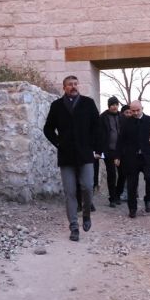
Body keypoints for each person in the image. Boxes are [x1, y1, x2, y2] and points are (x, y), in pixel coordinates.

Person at [43, 75, 100, 242]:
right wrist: (58, 143)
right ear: (64, 87)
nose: (73, 86)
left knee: (87, 187)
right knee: (70, 192)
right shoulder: (57, 105)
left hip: (85, 154)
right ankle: (74, 226)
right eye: (70, 84)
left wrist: (95, 147)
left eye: (75, 84)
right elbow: (48, 129)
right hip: (66, 155)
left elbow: (97, 127)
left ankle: (86, 215)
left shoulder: (88, 103)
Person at [116, 100, 150, 218]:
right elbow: (121, 140)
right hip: (131, 157)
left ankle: (148, 199)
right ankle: (132, 208)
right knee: (132, 184)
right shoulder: (126, 122)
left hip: (147, 156)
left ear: (142, 108)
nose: (135, 113)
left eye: (137, 110)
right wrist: (117, 156)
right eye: (133, 111)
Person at [99, 96, 125, 208]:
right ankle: (112, 198)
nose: (114, 107)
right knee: (111, 175)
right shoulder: (102, 117)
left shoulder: (122, 117)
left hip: (121, 150)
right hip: (108, 150)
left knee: (123, 174)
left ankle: (118, 194)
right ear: (109, 106)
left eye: (116, 105)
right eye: (112, 105)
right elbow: (99, 134)